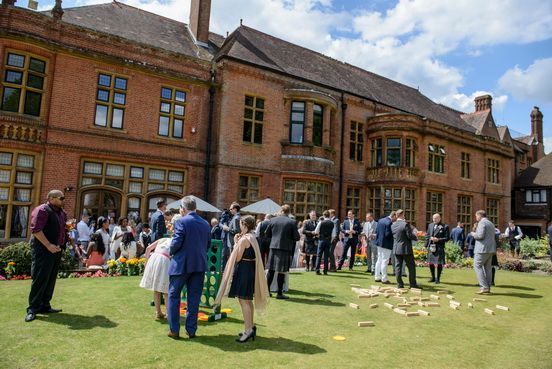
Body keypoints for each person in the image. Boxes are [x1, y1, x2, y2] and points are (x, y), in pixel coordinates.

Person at [216, 215, 269, 343]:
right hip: (249, 269)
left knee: (243, 300)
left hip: (244, 270)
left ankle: (248, 330)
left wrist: (235, 243)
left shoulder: (245, 239)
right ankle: (250, 327)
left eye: (240, 224)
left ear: (245, 225)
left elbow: (238, 257)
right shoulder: (252, 237)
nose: (239, 226)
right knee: (247, 300)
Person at [167, 196, 211, 339]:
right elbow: (208, 245)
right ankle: (191, 330)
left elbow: (176, 242)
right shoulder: (205, 223)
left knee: (173, 295)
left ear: (183, 208)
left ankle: (174, 330)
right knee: (194, 298)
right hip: (199, 264)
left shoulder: (181, 221)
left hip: (181, 264)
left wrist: (171, 252)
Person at [25, 190, 67, 322]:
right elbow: (36, 230)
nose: (63, 200)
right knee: (40, 278)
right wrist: (48, 245)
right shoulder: (42, 210)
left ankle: (45, 305)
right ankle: (33, 308)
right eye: (61, 198)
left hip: (57, 250)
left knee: (50, 279)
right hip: (43, 251)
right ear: (51, 198)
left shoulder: (62, 213)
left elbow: (62, 229)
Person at [265, 205, 300, 299]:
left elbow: (267, 234)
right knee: (281, 271)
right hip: (285, 248)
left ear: (281, 211)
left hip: (273, 247)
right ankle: (279, 293)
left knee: (271, 270)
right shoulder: (292, 222)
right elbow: (297, 237)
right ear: (289, 212)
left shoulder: (272, 220)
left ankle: (266, 292)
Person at [140, 237, 171, 320]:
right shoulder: (176, 241)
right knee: (166, 290)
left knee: (156, 288)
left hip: (154, 259)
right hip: (164, 260)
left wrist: (146, 263)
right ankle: (168, 313)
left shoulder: (163, 239)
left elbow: (148, 248)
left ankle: (158, 312)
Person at [391, 209, 419, 289]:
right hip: (406, 249)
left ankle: (400, 285)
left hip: (396, 249)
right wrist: (417, 237)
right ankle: (413, 284)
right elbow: (409, 235)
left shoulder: (393, 225)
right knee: (411, 267)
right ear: (402, 215)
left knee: (398, 267)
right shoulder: (405, 224)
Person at [471, 210, 496, 294]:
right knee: (487, 268)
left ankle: (484, 286)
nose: (476, 217)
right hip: (490, 249)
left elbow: (480, 236)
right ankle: (488, 286)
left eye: (476, 216)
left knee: (477, 265)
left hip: (482, 249)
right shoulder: (491, 223)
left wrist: (473, 234)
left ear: (480, 215)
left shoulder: (482, 223)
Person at [425, 213, 450, 284]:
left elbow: (447, 238)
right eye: (433, 218)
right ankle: (433, 277)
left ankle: (438, 279)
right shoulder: (430, 225)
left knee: (439, 263)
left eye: (436, 218)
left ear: (439, 218)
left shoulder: (445, 226)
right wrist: (425, 245)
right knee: (430, 263)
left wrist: (438, 239)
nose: (434, 220)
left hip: (439, 247)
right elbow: (427, 236)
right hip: (431, 247)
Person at [374, 211, 396, 284]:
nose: (396, 219)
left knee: (379, 260)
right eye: (396, 217)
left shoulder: (380, 220)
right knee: (385, 261)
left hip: (379, 243)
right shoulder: (389, 222)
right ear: (393, 216)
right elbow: (387, 234)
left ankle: (377, 277)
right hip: (386, 244)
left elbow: (377, 231)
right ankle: (384, 279)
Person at [313, 210, 334, 275]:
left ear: (324, 215)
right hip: (328, 240)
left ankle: (317, 270)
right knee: (326, 256)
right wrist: (330, 240)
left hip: (321, 239)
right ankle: (325, 271)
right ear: (329, 215)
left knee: (319, 255)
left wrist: (319, 234)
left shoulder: (321, 222)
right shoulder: (332, 223)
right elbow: (333, 235)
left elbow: (316, 231)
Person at [222, 203, 241, 271]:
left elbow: (236, 231)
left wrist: (227, 228)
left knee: (233, 260)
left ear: (235, 209)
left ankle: (233, 276)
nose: (230, 210)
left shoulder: (236, 218)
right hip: (232, 242)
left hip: (233, 242)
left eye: (231, 209)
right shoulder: (236, 217)